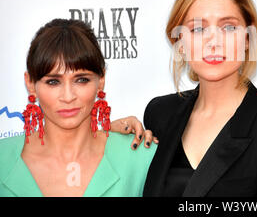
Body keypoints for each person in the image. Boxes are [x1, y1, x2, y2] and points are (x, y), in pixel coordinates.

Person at [141, 0, 257, 197]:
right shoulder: (160, 114)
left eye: (228, 28)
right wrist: (115, 137)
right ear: (179, 42)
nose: (214, 42)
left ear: (248, 37)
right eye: (198, 29)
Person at [0, 19, 157, 197]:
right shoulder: (2, 160)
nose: (68, 97)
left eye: (81, 80)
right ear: (30, 84)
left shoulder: (141, 157)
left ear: (101, 80)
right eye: (53, 82)